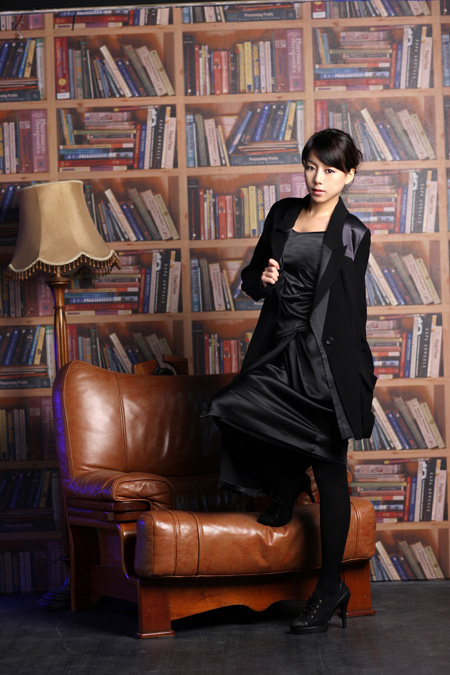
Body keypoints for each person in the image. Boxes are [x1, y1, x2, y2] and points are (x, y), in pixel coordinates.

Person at [203, 128, 377, 635]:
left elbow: (353, 312)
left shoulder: (353, 234)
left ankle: (329, 589)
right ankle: (285, 483)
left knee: (331, 470)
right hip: (278, 351)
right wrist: (262, 281)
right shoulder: (282, 213)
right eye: (311, 167)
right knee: (228, 407)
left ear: (349, 176)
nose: (318, 178)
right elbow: (252, 277)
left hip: (325, 365)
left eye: (330, 170)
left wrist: (357, 380)